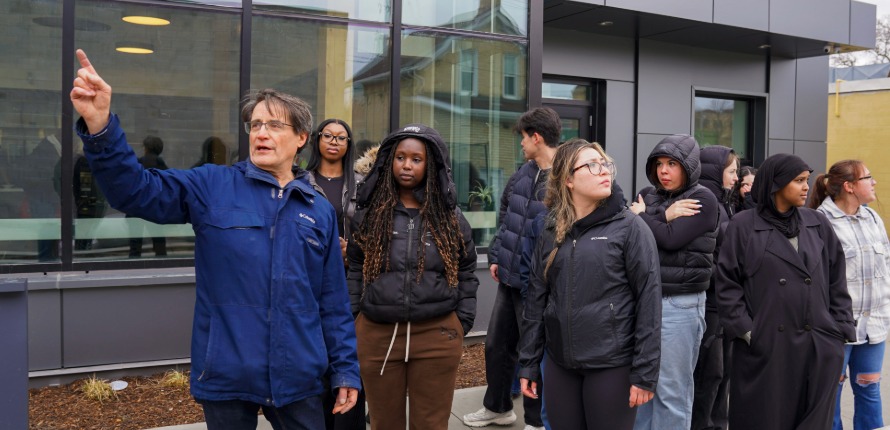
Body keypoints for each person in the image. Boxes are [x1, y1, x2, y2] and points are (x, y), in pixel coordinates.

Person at [70, 49, 360, 430]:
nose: (261, 133)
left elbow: (333, 302)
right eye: (255, 125)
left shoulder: (318, 209)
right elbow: (134, 191)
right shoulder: (212, 186)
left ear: (301, 137)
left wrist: (345, 370)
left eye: (274, 125)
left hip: (299, 376)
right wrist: (101, 127)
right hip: (227, 371)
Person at [517, 138, 661, 430]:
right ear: (568, 179)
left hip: (612, 365)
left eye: (605, 164)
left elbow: (649, 302)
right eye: (592, 165)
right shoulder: (551, 230)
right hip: (560, 364)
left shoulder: (630, 228)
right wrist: (529, 362)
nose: (604, 170)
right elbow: (536, 299)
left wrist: (645, 373)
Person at [346, 124, 479, 430]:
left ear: (430, 165)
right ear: (389, 161)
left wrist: (461, 321)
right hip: (378, 335)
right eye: (400, 157)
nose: (407, 165)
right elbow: (355, 266)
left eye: (416, 159)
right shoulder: (369, 214)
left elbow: (467, 268)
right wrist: (356, 317)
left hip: (437, 335)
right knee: (384, 423)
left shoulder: (449, 217)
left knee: (430, 425)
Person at [716, 153, 855, 430]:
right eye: (798, 180)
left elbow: (837, 280)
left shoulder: (817, 223)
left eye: (806, 180)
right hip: (767, 348)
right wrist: (748, 332)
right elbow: (727, 283)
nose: (806, 187)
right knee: (765, 419)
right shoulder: (743, 225)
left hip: (818, 346)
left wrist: (838, 333)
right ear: (776, 184)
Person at [463, 107, 561, 430]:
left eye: (523, 137)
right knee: (496, 346)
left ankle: (536, 422)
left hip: (538, 284)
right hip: (509, 277)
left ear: (537, 137)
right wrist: (496, 255)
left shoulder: (565, 177)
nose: (521, 143)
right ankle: (498, 408)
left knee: (533, 353)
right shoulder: (523, 173)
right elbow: (507, 212)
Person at [629, 134, 718, 430]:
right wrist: (663, 214)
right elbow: (630, 234)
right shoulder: (648, 194)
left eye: (672, 164)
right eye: (659, 164)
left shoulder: (703, 198)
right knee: (641, 388)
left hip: (680, 304)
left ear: (688, 166)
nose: (663, 171)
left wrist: (644, 216)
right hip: (645, 301)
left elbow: (670, 239)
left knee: (671, 392)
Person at [809, 160, 890, 430]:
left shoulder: (872, 218)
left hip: (874, 327)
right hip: (836, 329)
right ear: (849, 186)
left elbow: (886, 265)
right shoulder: (820, 221)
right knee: (830, 395)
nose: (874, 182)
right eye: (868, 177)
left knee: (870, 390)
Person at [303, 118, 365, 430]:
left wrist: (350, 249)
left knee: (347, 349)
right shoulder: (301, 181)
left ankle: (348, 419)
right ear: (317, 140)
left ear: (348, 144)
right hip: (311, 278)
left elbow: (373, 231)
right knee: (315, 350)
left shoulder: (361, 183)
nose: (334, 142)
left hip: (351, 279)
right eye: (328, 135)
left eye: (341, 137)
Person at [691, 145, 738, 430]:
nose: (736, 177)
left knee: (723, 375)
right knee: (710, 375)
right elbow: (705, 258)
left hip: (724, 303)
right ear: (715, 171)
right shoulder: (706, 205)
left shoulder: (724, 203)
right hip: (710, 304)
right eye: (731, 171)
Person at [128, 135, 168, 257]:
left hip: (136, 209)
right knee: (159, 244)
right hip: (155, 210)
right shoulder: (163, 167)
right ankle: (162, 265)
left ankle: (133, 265)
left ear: (146, 148)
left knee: (135, 246)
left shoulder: (137, 164)